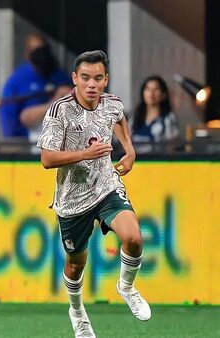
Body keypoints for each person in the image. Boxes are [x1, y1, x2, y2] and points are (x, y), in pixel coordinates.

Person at [37, 50, 151, 338]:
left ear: (105, 80)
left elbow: (120, 119)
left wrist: (130, 151)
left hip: (106, 185)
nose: (91, 84)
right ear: (75, 78)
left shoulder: (112, 103)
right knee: (75, 264)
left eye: (98, 78)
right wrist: (85, 153)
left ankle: (126, 287)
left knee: (134, 238)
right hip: (72, 197)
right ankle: (77, 312)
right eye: (85, 77)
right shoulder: (59, 110)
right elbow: (47, 159)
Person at [0, 33, 72, 140]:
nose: (41, 55)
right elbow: (12, 117)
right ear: (28, 54)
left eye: (44, 50)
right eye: (36, 51)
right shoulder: (17, 80)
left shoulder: (59, 76)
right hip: (29, 142)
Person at [130, 75, 179, 147]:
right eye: (148, 89)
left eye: (156, 89)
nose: (151, 93)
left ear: (163, 95)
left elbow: (172, 147)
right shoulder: (134, 118)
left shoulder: (168, 119)